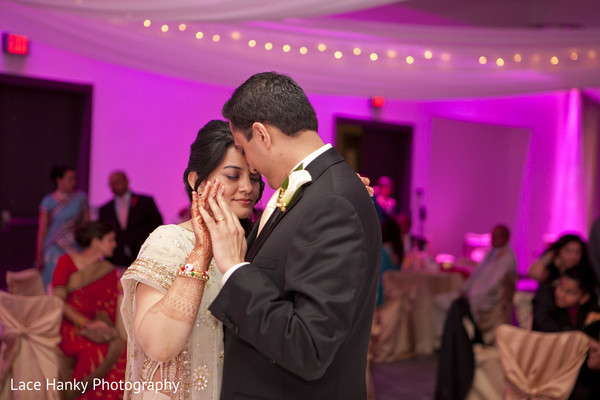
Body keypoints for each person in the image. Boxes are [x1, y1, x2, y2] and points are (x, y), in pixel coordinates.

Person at [201, 72, 382, 399]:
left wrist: (235, 269)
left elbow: (308, 346)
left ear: (261, 134)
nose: (251, 167)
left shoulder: (331, 202)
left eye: (244, 150)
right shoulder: (319, 190)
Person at [120, 120, 263, 399]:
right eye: (233, 176)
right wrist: (202, 252)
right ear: (196, 180)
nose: (248, 187)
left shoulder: (252, 245)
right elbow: (160, 346)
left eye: (255, 177)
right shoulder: (168, 241)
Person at [51, 220, 126, 399]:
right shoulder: (66, 261)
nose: (115, 245)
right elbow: (57, 302)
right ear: (95, 241)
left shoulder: (107, 270)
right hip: (69, 327)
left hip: (96, 325)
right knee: (94, 351)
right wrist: (86, 323)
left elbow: (108, 305)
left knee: (121, 347)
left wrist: (100, 324)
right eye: (110, 240)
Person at [434, 225, 517, 344]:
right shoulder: (489, 254)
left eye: (497, 235)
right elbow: (474, 276)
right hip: (471, 293)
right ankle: (443, 340)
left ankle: (468, 343)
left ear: (506, 238)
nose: (493, 238)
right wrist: (464, 289)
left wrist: (472, 294)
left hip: (488, 298)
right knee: (439, 301)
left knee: (467, 309)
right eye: (492, 235)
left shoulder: (508, 258)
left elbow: (493, 284)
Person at [37, 164, 89, 287]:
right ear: (59, 180)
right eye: (69, 179)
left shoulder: (80, 198)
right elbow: (42, 229)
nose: (73, 182)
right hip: (53, 247)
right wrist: (39, 254)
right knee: (54, 282)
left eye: (74, 179)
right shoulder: (48, 201)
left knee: (74, 283)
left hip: (74, 247)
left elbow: (87, 224)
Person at [99, 171, 163, 268]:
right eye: (111, 183)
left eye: (117, 181)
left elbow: (157, 227)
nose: (115, 185)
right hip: (116, 260)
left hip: (143, 257)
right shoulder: (105, 209)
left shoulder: (145, 203)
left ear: (126, 181)